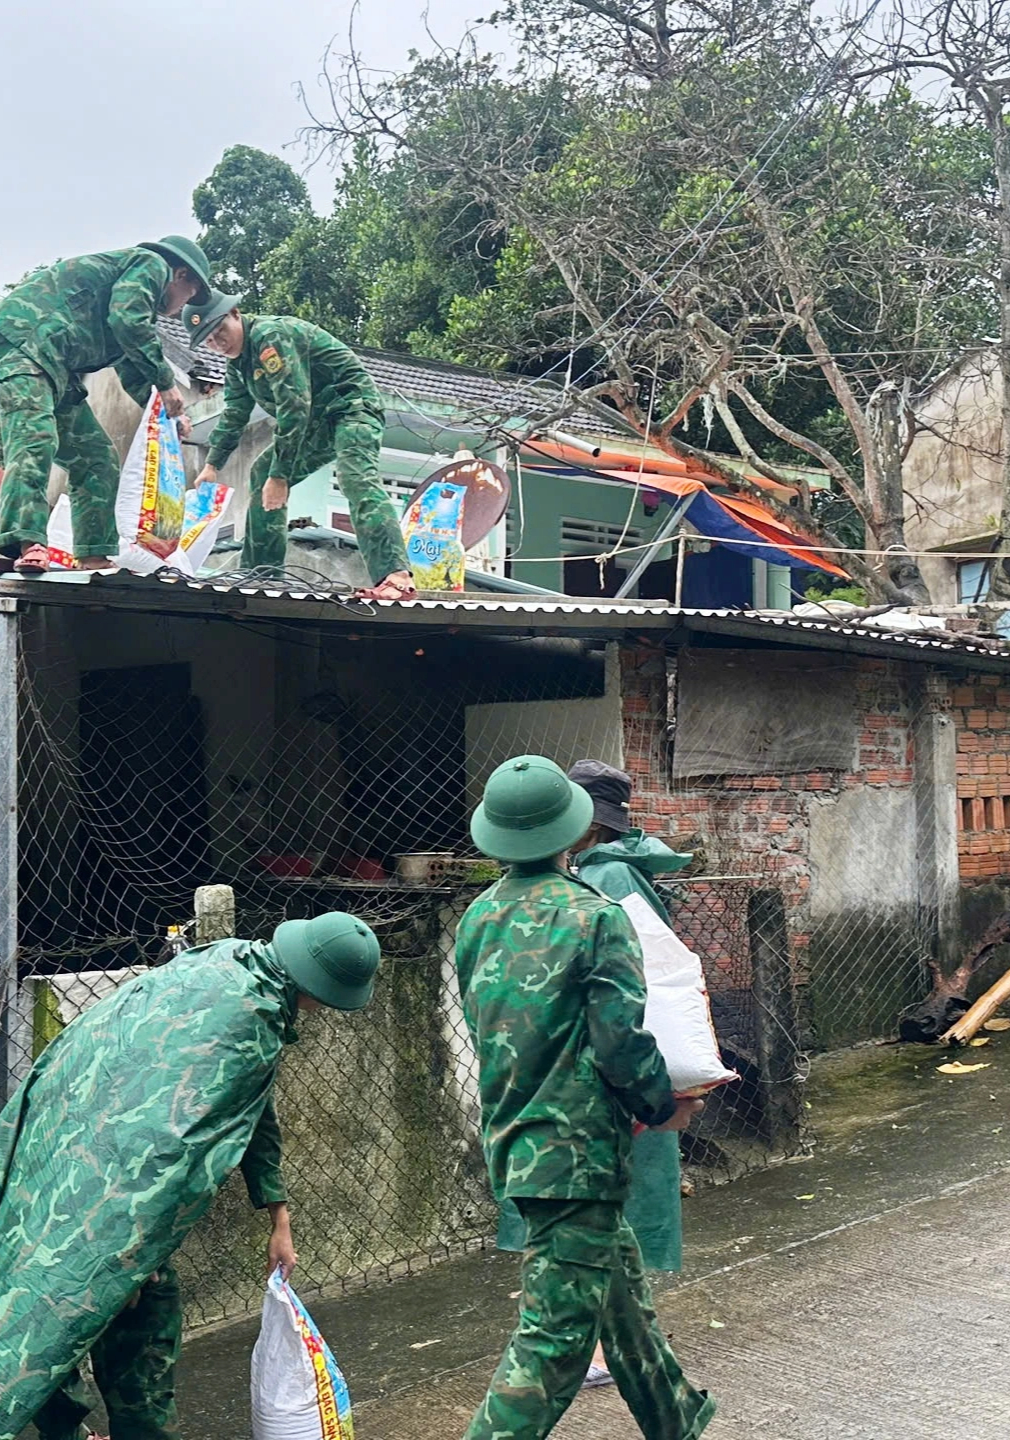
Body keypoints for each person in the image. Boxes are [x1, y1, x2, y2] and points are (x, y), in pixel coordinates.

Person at [0, 911, 382, 1440]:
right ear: (317, 988)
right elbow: (165, 1149)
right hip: (112, 1195)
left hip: (54, 1154)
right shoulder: (252, 1023)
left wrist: (278, 1214)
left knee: (26, 1307)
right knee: (126, 1339)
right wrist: (134, 1258)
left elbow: (252, 1107)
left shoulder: (223, 960)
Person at [457, 755, 715, 1440]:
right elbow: (620, 1042)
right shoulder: (596, 918)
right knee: (555, 1342)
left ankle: (678, 1421)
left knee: (623, 1309)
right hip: (578, 1156)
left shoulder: (477, 918)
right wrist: (664, 1105)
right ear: (574, 829)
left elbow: (494, 1031)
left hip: (515, 1142)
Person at [0, 236, 213, 574]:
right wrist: (166, 382)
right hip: (22, 345)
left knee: (96, 458)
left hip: (57, 367)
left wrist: (169, 416)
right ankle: (28, 541)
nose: (181, 307)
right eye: (189, 296)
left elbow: (135, 372)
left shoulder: (137, 313)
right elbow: (127, 320)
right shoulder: (150, 264)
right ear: (180, 275)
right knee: (35, 438)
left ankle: (93, 555)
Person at [180, 291, 417, 601]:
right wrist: (212, 465)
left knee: (355, 477)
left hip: (350, 407)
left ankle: (396, 577)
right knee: (262, 471)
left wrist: (281, 476)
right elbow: (235, 413)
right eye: (208, 340)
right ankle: (262, 574)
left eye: (219, 330)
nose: (217, 342)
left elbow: (294, 405)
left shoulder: (269, 336)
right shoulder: (237, 366)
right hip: (315, 422)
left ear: (235, 313)